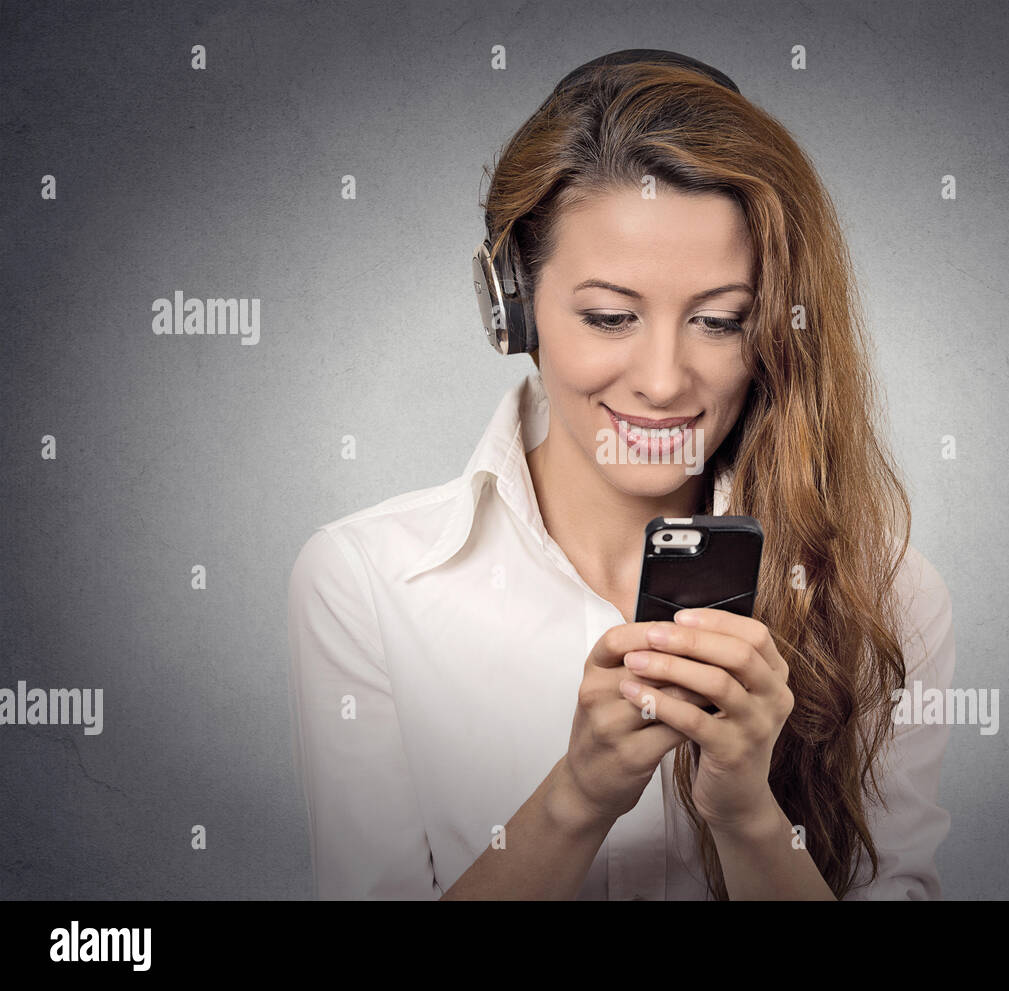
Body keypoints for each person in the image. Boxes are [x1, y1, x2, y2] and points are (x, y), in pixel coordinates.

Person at [287, 50, 956, 900]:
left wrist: (748, 814)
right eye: (610, 316)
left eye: (719, 321)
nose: (665, 380)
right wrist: (579, 796)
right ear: (512, 309)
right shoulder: (363, 583)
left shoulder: (886, 596)